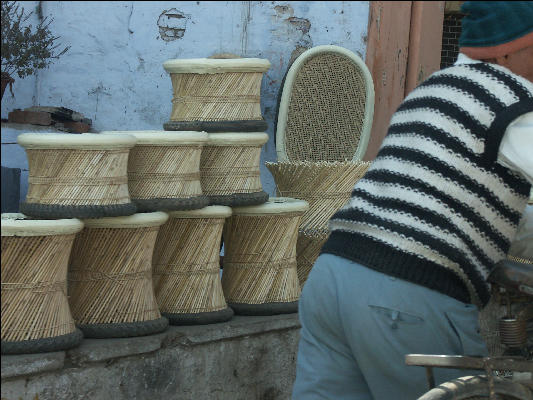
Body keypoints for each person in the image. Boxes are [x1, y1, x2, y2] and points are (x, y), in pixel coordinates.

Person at [292, 2, 533, 399]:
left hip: (332, 276)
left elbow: (463, 199)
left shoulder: (432, 91)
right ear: (505, 49)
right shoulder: (515, 102)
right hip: (405, 295)